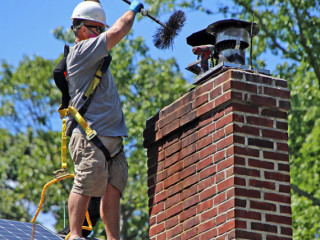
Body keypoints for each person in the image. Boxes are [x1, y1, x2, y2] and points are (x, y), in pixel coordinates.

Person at [65, 1, 143, 239]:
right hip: (90, 135)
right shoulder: (81, 52)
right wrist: (135, 9)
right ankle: (76, 235)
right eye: (98, 30)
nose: (101, 36)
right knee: (87, 182)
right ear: (84, 29)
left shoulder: (93, 54)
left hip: (112, 140)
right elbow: (121, 29)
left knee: (113, 190)